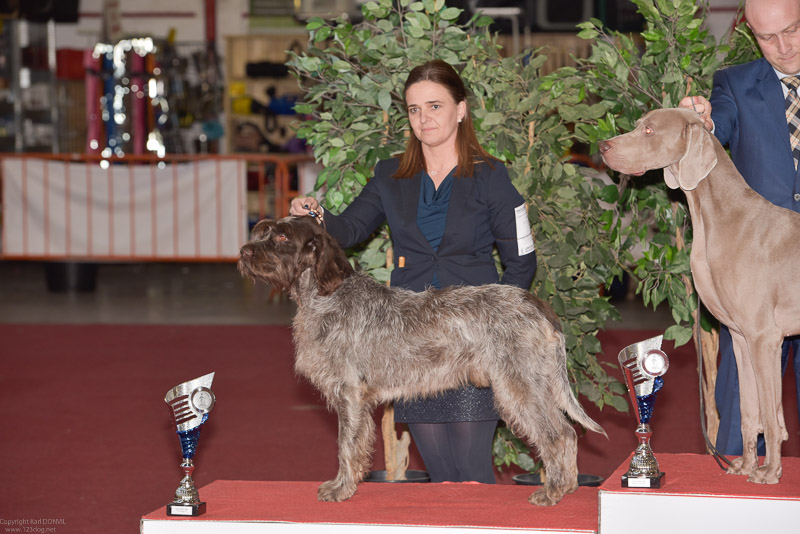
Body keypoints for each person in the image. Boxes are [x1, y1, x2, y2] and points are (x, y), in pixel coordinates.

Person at [289, 59, 538, 483]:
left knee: (472, 471)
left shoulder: (492, 175)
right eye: (414, 109)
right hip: (409, 344)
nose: (424, 119)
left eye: (435, 106)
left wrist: (500, 330)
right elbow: (349, 229)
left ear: (461, 109)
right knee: (440, 472)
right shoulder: (390, 174)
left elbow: (522, 261)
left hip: (471, 337)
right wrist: (316, 216)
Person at [679, 0, 800, 455]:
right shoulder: (733, 83)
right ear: (751, 33)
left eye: (792, 30)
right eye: (768, 38)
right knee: (738, 427)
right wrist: (701, 117)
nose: (783, 46)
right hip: (754, 270)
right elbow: (716, 126)